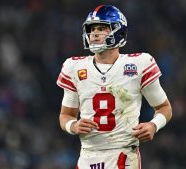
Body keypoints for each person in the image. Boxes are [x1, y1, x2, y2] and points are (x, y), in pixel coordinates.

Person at [57, 4, 172, 169]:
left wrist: (153, 125)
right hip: (88, 156)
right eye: (91, 29)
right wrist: (73, 125)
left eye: (101, 28)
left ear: (118, 31)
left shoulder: (139, 64)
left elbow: (164, 108)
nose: (94, 33)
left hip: (123, 155)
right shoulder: (74, 67)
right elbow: (65, 115)